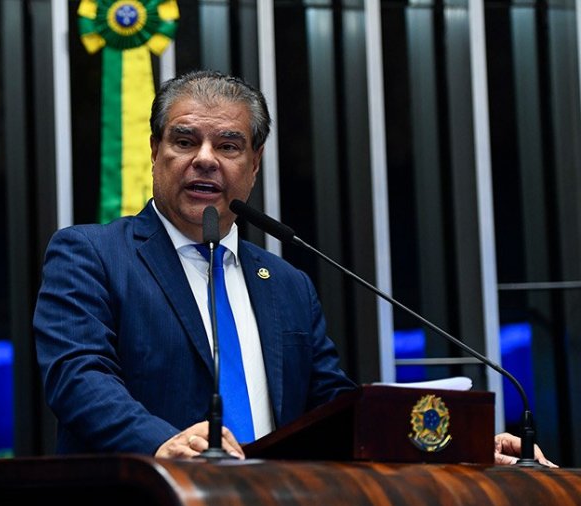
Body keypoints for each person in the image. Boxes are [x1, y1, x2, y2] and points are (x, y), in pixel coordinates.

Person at [33, 70, 555, 466]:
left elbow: (334, 412)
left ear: (255, 164)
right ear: (155, 151)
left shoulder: (286, 283)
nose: (206, 159)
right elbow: (78, 377)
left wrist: (459, 444)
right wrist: (161, 442)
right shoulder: (92, 254)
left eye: (228, 145)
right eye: (185, 141)